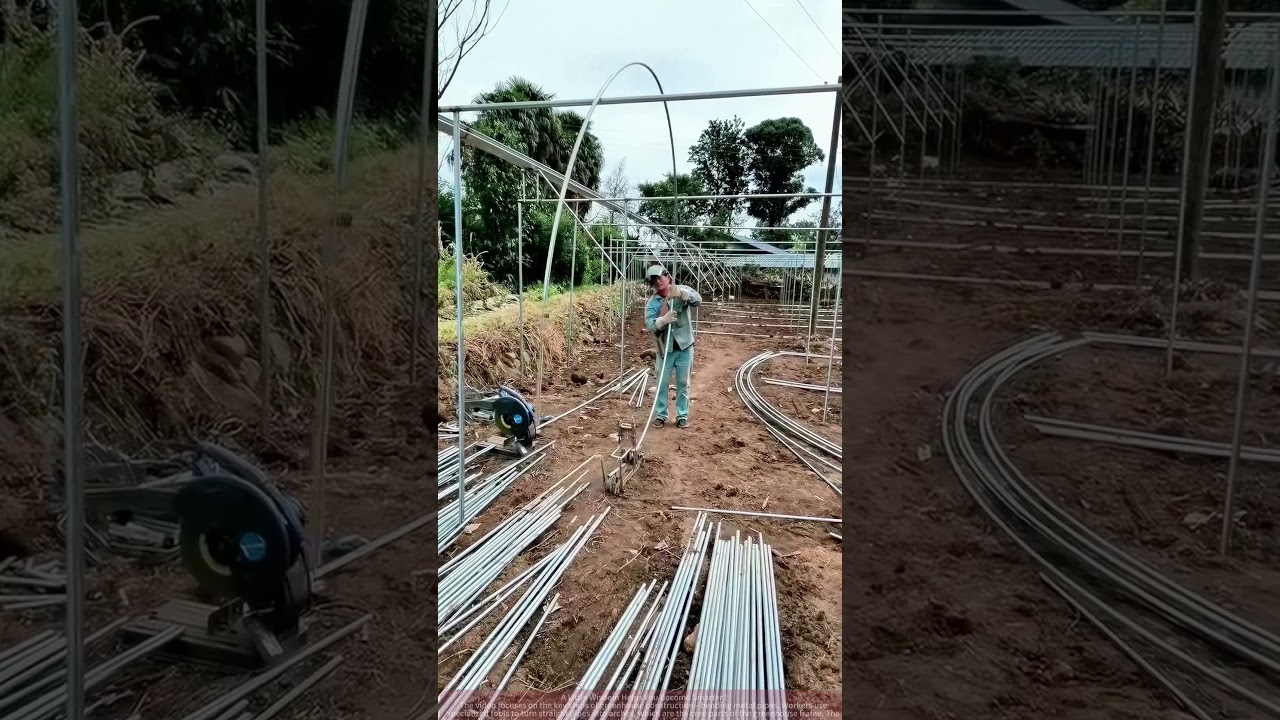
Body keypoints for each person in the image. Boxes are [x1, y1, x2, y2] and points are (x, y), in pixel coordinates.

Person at [644, 264, 702, 428]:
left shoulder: (680, 290)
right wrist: (662, 320)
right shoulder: (653, 303)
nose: (658, 281)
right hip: (665, 350)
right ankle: (661, 414)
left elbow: (698, 301)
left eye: (661, 276)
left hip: (684, 347)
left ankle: (682, 415)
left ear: (668, 276)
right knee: (662, 383)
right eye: (654, 279)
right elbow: (650, 324)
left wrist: (686, 295)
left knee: (683, 382)